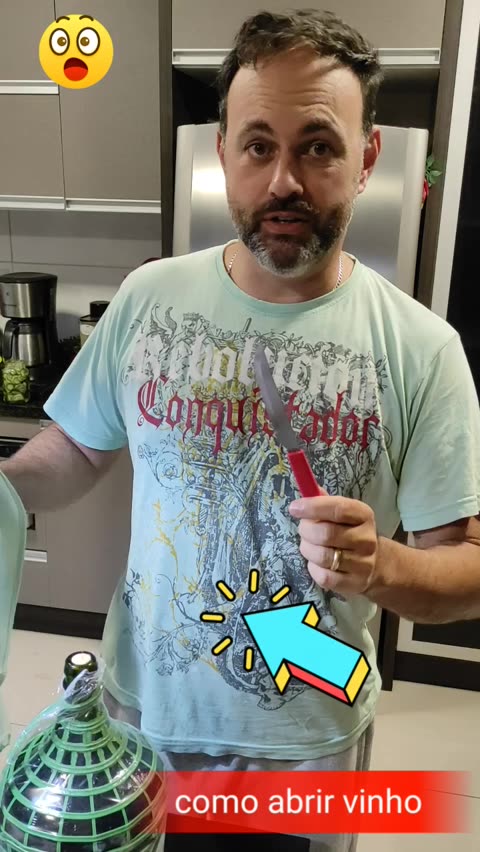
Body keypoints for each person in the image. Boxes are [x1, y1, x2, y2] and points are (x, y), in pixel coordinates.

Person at [2, 8, 480, 852]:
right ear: (223, 153)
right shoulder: (150, 298)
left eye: (318, 146)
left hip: (306, 748)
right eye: (259, 146)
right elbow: (74, 448)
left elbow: (467, 571)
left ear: (367, 157)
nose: (284, 180)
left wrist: (380, 563)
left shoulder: (422, 349)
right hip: (140, 723)